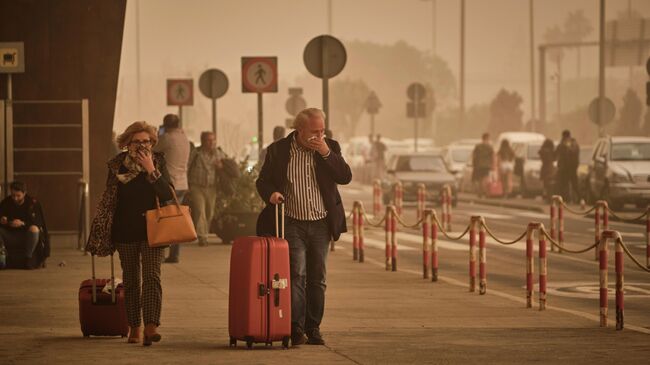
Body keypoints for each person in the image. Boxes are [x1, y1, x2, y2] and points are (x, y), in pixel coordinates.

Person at [256, 108, 352, 346]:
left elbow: (345, 176)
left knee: (317, 277)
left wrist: (327, 153)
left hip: (320, 221)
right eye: (314, 132)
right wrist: (272, 194)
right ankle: (295, 327)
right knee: (296, 274)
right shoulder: (278, 150)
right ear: (299, 130)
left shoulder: (330, 147)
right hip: (292, 221)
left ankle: (314, 327)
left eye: (322, 131)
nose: (319, 136)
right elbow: (263, 181)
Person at [86, 121, 174, 346]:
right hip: (125, 229)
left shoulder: (158, 162)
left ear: (152, 142)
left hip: (154, 228)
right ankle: (135, 326)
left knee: (152, 276)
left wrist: (151, 170)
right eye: (137, 142)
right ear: (127, 143)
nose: (143, 145)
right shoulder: (117, 166)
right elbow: (109, 200)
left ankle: (151, 326)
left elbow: (167, 194)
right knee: (132, 280)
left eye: (147, 141)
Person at [153, 114, 190, 264]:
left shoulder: (167, 138)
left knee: (165, 220)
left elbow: (153, 150)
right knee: (176, 219)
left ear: (165, 125)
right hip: (182, 183)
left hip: (169, 183)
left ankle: (161, 254)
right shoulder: (184, 137)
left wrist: (158, 134)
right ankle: (174, 254)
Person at [0, 181, 50, 269]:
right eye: (13, 195)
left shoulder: (33, 203)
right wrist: (3, 220)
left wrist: (23, 223)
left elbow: (39, 223)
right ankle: (3, 256)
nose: (15, 198)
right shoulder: (6, 202)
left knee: (34, 229)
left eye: (18, 196)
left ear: (24, 193)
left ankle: (28, 257)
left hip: (26, 236)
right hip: (10, 234)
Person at [187, 131, 225, 246]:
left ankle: (204, 233)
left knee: (209, 212)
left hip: (211, 187)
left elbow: (226, 168)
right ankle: (202, 237)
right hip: (196, 186)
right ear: (203, 141)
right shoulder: (196, 153)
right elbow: (187, 166)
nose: (211, 143)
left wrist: (220, 167)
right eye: (208, 140)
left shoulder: (219, 154)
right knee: (200, 211)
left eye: (213, 140)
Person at [555, 130, 580, 203]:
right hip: (567, 167)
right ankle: (567, 199)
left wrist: (564, 145)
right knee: (566, 184)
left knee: (569, 184)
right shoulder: (572, 143)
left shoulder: (570, 143)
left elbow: (572, 152)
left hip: (569, 167)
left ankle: (575, 199)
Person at [472, 133, 494, 197]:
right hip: (487, 165)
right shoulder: (490, 147)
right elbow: (492, 156)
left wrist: (474, 164)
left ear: (482, 138)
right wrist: (493, 165)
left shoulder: (478, 146)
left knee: (480, 179)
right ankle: (485, 192)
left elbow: (474, 156)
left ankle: (480, 192)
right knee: (485, 179)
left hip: (479, 165)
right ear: (487, 138)